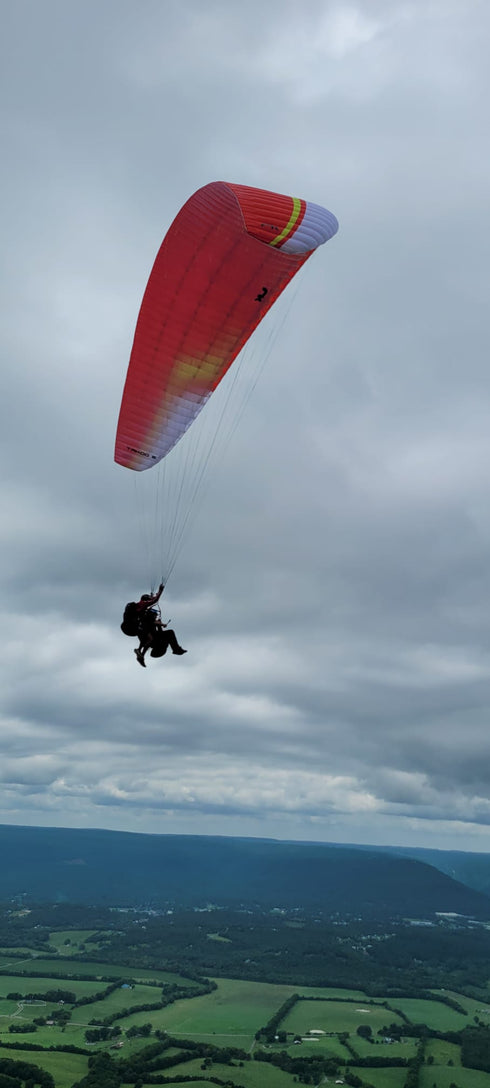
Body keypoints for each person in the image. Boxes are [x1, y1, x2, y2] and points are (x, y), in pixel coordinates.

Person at [133, 583, 187, 667]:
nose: (155, 615)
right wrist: (160, 591)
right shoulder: (146, 618)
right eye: (154, 613)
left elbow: (158, 631)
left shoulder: (146, 618)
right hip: (155, 643)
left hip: (154, 642)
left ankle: (176, 650)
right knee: (170, 633)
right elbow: (154, 602)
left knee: (169, 634)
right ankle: (176, 650)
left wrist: (159, 625)